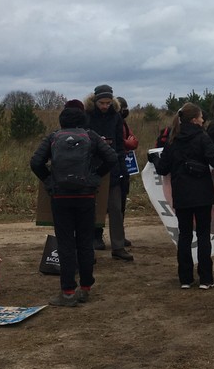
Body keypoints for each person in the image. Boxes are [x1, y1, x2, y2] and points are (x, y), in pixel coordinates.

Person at [155, 102, 214, 289]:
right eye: (200, 117)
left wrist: (155, 159)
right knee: (203, 236)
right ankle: (206, 278)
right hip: (202, 194)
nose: (202, 119)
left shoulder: (173, 140)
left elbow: (162, 168)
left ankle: (185, 279)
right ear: (194, 120)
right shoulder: (202, 137)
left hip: (181, 195)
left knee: (184, 236)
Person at [30, 105, 118, 306]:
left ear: (62, 121)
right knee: (85, 242)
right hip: (86, 196)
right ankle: (85, 288)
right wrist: (94, 178)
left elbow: (36, 163)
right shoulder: (91, 136)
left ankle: (68, 292)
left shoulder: (53, 137)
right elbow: (112, 157)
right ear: (83, 121)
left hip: (60, 197)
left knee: (66, 244)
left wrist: (50, 182)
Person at [86, 84, 131, 260]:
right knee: (91, 208)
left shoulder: (116, 117)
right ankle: (91, 241)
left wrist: (122, 169)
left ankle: (118, 247)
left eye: (108, 102)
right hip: (92, 168)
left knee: (115, 208)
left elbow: (120, 145)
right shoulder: (86, 116)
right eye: (102, 103)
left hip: (113, 168)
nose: (105, 106)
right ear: (95, 101)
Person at [117, 97, 140, 247]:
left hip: (123, 166)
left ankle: (119, 235)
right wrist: (127, 142)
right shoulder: (109, 121)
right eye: (123, 108)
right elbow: (117, 140)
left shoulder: (123, 123)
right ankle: (96, 236)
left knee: (121, 203)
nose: (125, 111)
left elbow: (135, 142)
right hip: (110, 166)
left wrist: (127, 142)